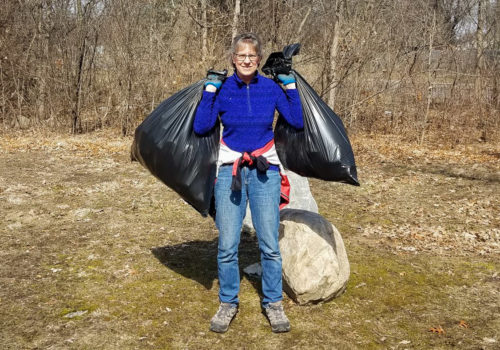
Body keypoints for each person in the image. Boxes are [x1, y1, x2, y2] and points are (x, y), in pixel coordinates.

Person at [193, 32, 303, 333]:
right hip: (230, 172)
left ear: (258, 59)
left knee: (269, 243)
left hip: (265, 172)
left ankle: (273, 303)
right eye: (240, 55)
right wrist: (209, 91)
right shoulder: (224, 89)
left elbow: (296, 120)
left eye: (251, 55)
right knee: (228, 245)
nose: (246, 60)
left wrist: (289, 85)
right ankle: (228, 301)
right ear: (233, 58)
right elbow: (202, 125)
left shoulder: (269, 88)